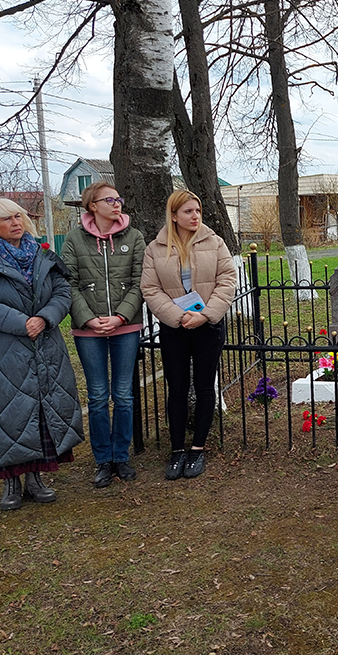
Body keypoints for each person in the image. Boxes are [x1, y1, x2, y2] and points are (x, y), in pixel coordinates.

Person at [0, 199, 84, 511]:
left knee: (40, 410)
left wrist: (45, 317)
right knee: (7, 414)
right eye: (6, 219)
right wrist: (20, 323)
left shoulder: (41, 254)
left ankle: (35, 479)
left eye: (18, 216)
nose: (15, 223)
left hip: (44, 343)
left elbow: (62, 291)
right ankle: (10, 483)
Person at [141, 190, 236, 481]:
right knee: (177, 388)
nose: (195, 216)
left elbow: (227, 280)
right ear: (173, 216)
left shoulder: (215, 242)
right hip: (175, 328)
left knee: (205, 387)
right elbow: (150, 288)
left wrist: (205, 314)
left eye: (197, 211)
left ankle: (197, 449)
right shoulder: (155, 248)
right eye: (188, 212)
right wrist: (177, 316)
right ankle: (177, 450)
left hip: (207, 325)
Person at [62, 182, 146, 489]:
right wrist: (88, 318)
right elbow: (68, 283)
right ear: (92, 206)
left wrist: (121, 316)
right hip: (89, 330)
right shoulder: (74, 239)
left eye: (118, 199)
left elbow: (140, 281)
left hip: (126, 326)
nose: (117, 203)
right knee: (97, 396)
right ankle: (103, 460)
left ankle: (121, 456)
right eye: (109, 200)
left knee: (123, 394)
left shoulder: (134, 237)